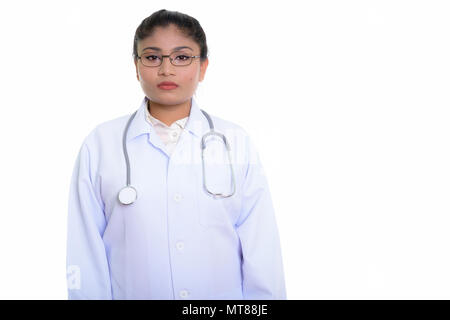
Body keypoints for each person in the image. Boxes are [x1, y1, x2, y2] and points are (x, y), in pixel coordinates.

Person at [66, 9, 286, 300]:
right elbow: (85, 251)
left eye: (182, 57)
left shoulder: (235, 142)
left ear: (203, 66)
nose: (166, 70)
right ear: (136, 65)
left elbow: (262, 249)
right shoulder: (101, 144)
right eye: (152, 57)